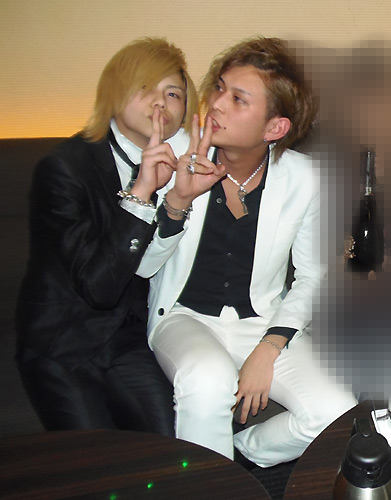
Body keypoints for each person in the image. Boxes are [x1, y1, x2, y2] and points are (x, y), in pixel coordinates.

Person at [136, 37, 357, 467]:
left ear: (275, 128)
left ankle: (242, 454)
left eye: (238, 99)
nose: (216, 104)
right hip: (184, 316)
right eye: (219, 88)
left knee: (337, 414)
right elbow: (143, 267)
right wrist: (177, 200)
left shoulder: (306, 177)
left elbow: (312, 275)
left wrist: (269, 347)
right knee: (209, 379)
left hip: (260, 319)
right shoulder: (174, 156)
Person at [16, 38, 199, 433]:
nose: (160, 102)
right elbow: (98, 287)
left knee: (171, 445)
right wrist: (142, 193)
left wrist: (175, 201)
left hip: (127, 336)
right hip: (63, 341)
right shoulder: (64, 168)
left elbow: (145, 267)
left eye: (173, 94)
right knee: (95, 459)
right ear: (115, 92)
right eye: (146, 87)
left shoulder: (177, 165)